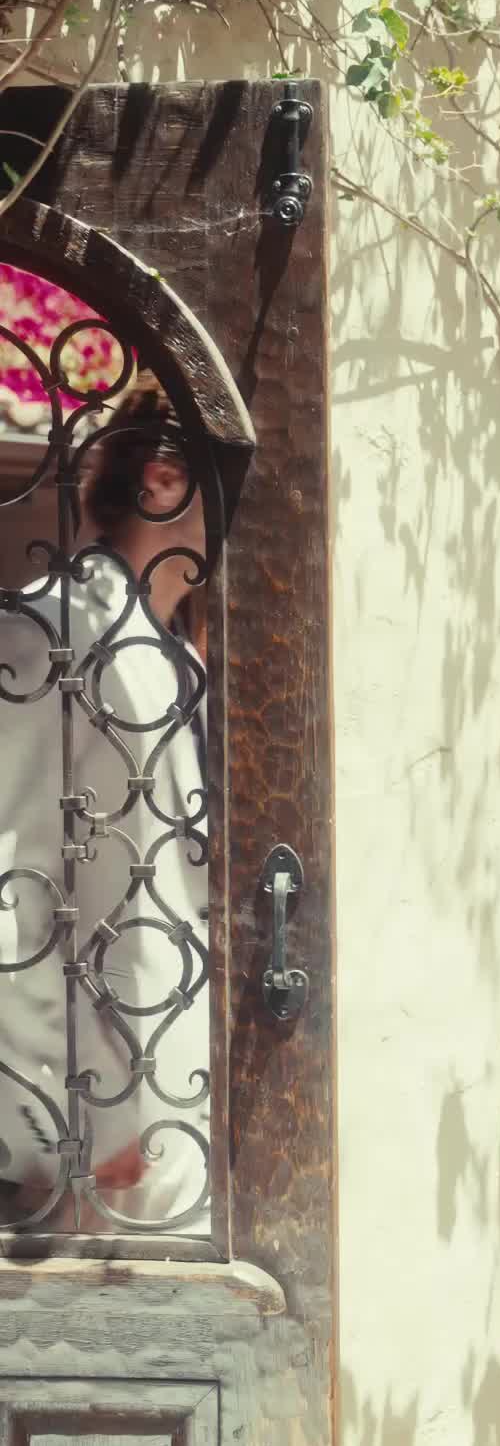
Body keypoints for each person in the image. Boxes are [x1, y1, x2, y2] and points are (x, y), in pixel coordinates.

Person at [0, 370, 211, 1232]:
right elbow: (11, 886)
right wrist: (64, 1124)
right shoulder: (49, 631)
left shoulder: (176, 660)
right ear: (163, 480)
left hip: (176, 1144)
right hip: (95, 1158)